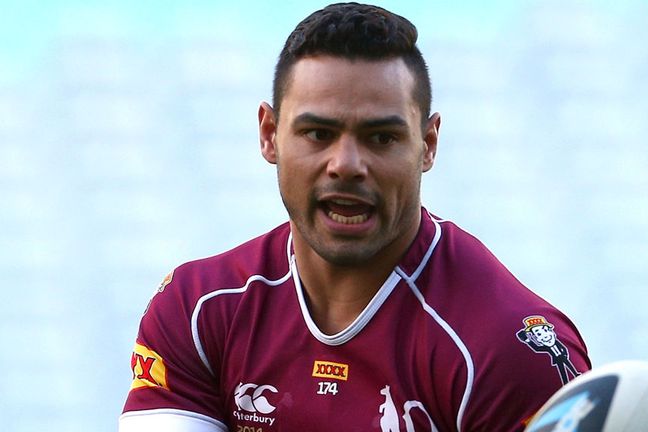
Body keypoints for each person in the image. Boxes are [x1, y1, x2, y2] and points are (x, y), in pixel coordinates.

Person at [119, 3, 591, 431]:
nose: (346, 164)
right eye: (318, 133)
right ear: (269, 134)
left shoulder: (507, 349)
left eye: (381, 138)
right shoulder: (199, 309)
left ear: (427, 145)